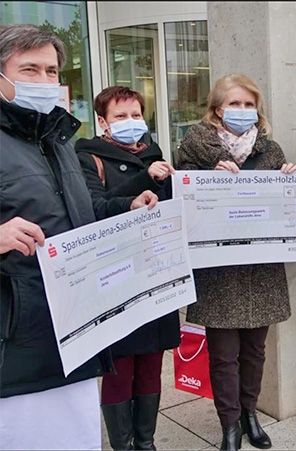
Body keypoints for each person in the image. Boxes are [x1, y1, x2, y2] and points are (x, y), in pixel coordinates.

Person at [0, 24, 157, 449]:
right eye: (30, 70)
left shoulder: (58, 140)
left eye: (52, 71)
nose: (46, 81)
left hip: (76, 325)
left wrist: (127, 207)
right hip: (17, 341)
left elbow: (81, 213)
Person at [176, 73, 296, 451]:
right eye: (234, 104)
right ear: (216, 109)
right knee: (224, 355)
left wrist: (291, 184)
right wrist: (204, 180)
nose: (243, 111)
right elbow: (177, 198)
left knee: (255, 351)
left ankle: (250, 414)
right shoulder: (192, 148)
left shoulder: (271, 151)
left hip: (260, 269)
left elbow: (285, 210)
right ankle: (229, 423)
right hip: (218, 270)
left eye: (249, 105)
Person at [75, 86, 180, 450]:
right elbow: (91, 209)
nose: (131, 123)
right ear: (102, 122)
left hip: (156, 271)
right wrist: (143, 183)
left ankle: (146, 442)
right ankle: (123, 445)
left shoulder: (156, 153)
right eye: (121, 117)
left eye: (136, 115)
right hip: (116, 277)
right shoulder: (87, 157)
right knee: (120, 368)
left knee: (151, 364)